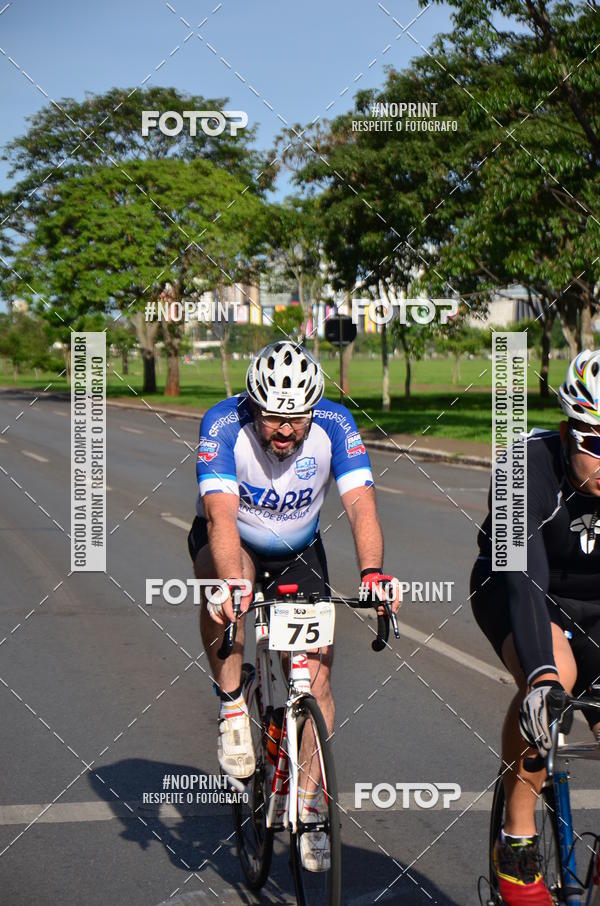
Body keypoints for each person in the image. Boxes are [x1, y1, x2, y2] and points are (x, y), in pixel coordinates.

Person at [187, 340, 400, 871]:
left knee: (317, 683)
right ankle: (232, 703)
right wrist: (232, 585)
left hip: (298, 549)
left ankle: (309, 802)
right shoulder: (223, 424)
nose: (285, 430)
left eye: (296, 418)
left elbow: (361, 506)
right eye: (273, 418)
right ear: (252, 405)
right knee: (227, 593)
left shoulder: (336, 424)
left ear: (314, 409)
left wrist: (372, 573)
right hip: (232, 539)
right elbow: (220, 515)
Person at [471, 349, 600, 905]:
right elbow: (524, 577)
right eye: (597, 444)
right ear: (568, 432)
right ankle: (517, 840)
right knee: (553, 683)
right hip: (516, 588)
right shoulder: (522, 469)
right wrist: (542, 675)